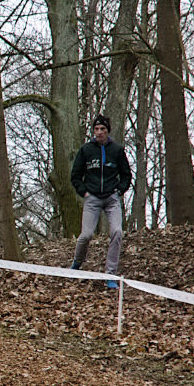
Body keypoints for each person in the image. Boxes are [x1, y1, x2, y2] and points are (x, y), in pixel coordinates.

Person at [69, 114, 132, 289]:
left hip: (112, 199)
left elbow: (127, 175)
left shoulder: (117, 150)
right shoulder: (86, 150)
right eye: (96, 129)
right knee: (86, 235)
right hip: (93, 198)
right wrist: (84, 192)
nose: (99, 132)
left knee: (117, 232)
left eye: (102, 129)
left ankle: (110, 275)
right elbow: (75, 176)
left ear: (107, 131)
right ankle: (76, 264)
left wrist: (119, 190)